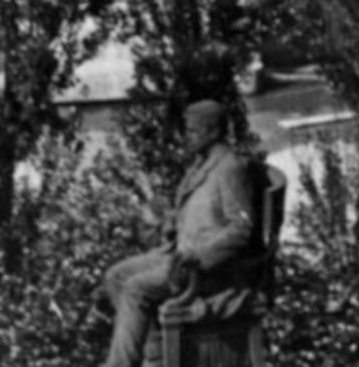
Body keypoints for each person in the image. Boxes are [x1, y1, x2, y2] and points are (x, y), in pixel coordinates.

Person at [101, 96, 275, 367]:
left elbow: (241, 229)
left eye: (193, 130)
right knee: (116, 276)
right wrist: (172, 220)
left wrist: (199, 256)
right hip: (179, 255)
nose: (186, 137)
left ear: (214, 132)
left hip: (209, 272)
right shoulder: (201, 164)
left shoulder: (229, 169)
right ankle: (155, 355)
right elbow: (201, 214)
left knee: (136, 288)